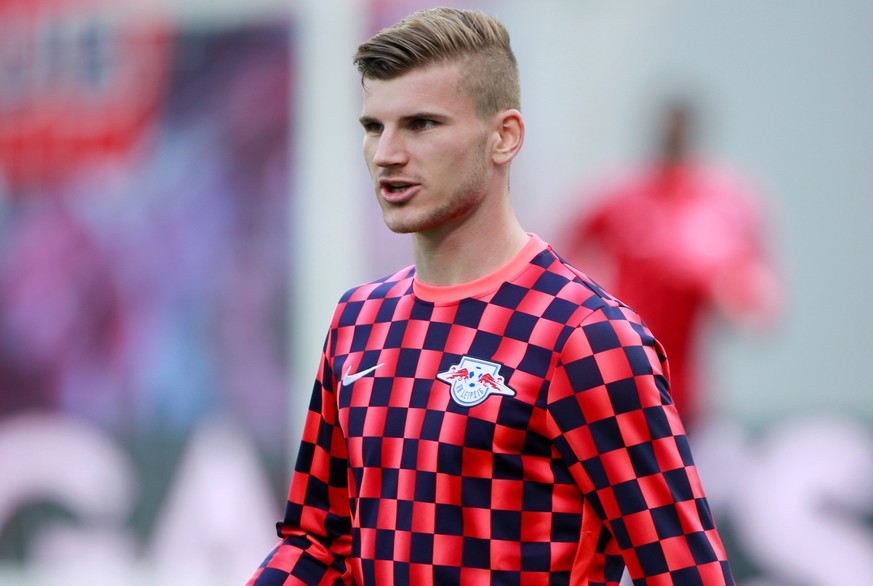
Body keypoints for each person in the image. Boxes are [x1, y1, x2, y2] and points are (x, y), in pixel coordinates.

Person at [248, 8, 734, 585]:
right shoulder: (358, 321)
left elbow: (685, 571)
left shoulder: (586, 340)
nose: (386, 154)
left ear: (504, 138)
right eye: (374, 127)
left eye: (422, 124)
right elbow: (318, 543)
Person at [559, 98, 780, 429]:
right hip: (618, 374)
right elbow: (563, 259)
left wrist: (715, 282)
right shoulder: (619, 196)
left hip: (684, 388)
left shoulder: (722, 205)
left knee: (675, 471)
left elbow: (758, 309)